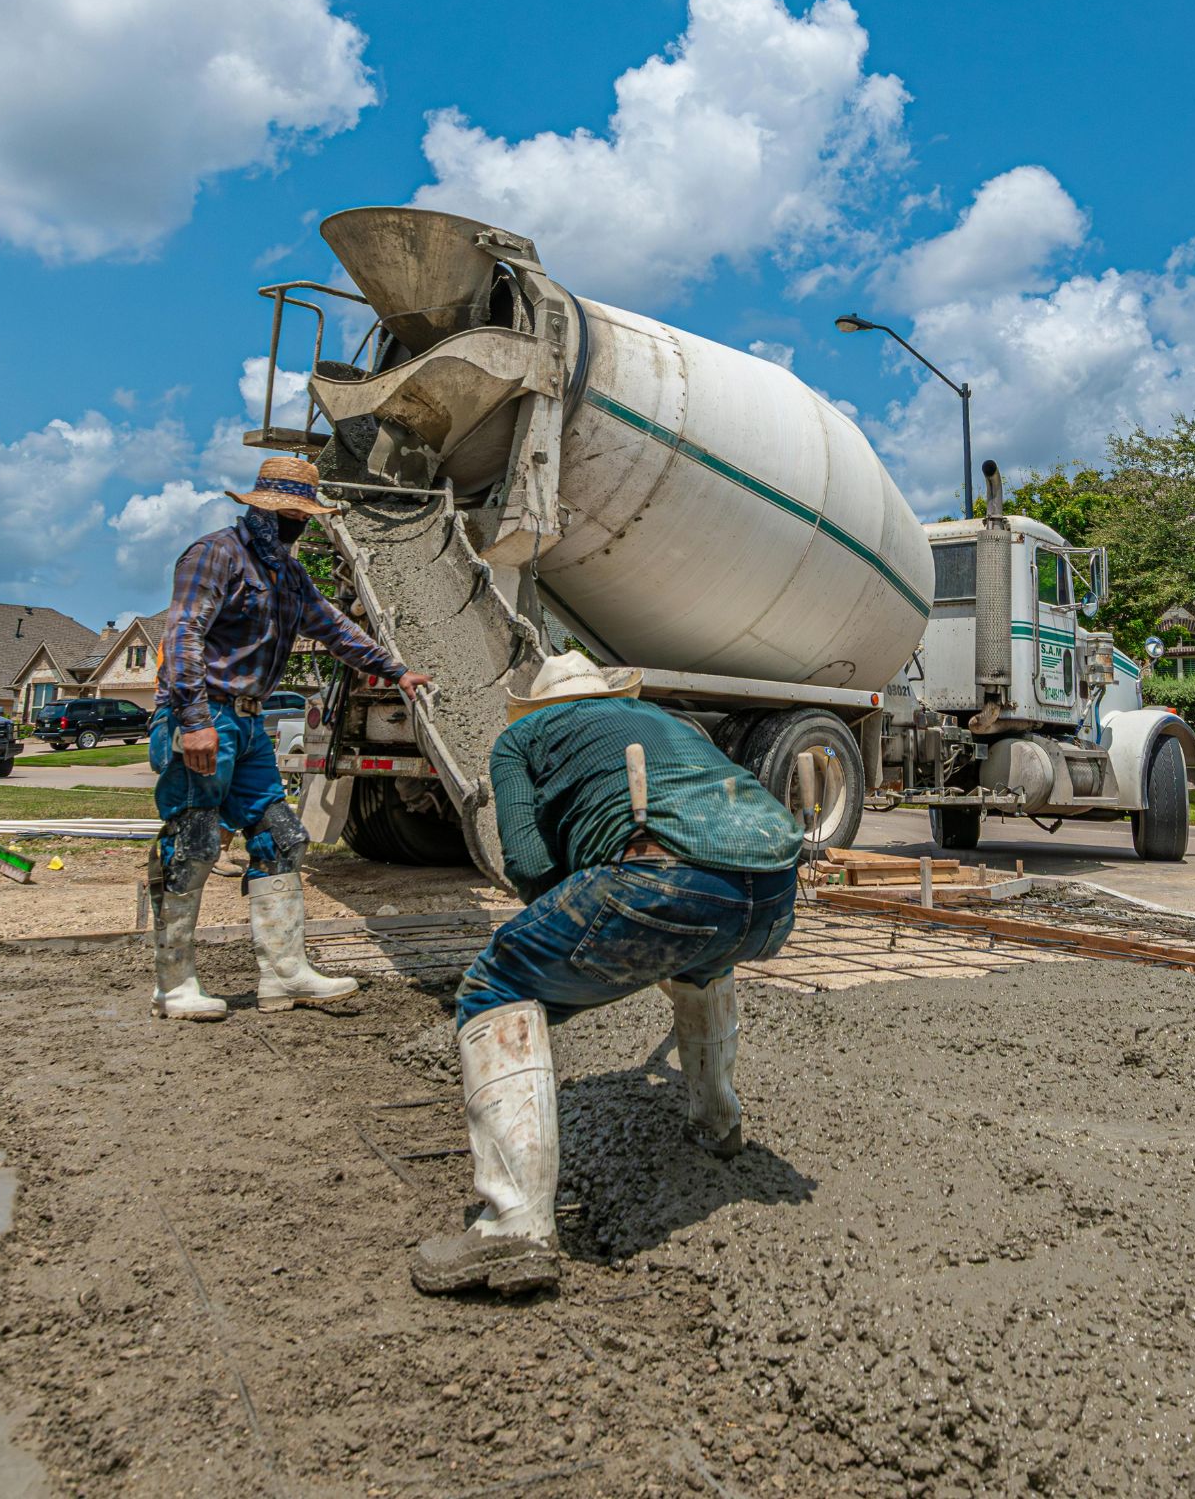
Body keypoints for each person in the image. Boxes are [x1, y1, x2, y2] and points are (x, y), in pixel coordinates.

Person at [410, 651, 804, 1296]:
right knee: (702, 966)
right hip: (771, 899)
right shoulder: (666, 719)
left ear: (540, 704)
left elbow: (530, 861)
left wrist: (591, 920)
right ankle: (717, 1123)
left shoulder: (521, 737)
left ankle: (513, 1228)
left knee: (495, 984)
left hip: (660, 881)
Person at [147, 455, 432, 1022]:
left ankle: (284, 974)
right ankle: (173, 985)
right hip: (205, 716)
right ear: (264, 510)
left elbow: (332, 626)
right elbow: (183, 635)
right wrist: (196, 719)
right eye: (291, 515)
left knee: (282, 836)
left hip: (250, 724)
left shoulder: (289, 575)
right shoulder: (216, 555)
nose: (298, 525)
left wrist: (397, 670)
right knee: (195, 839)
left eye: (303, 515)